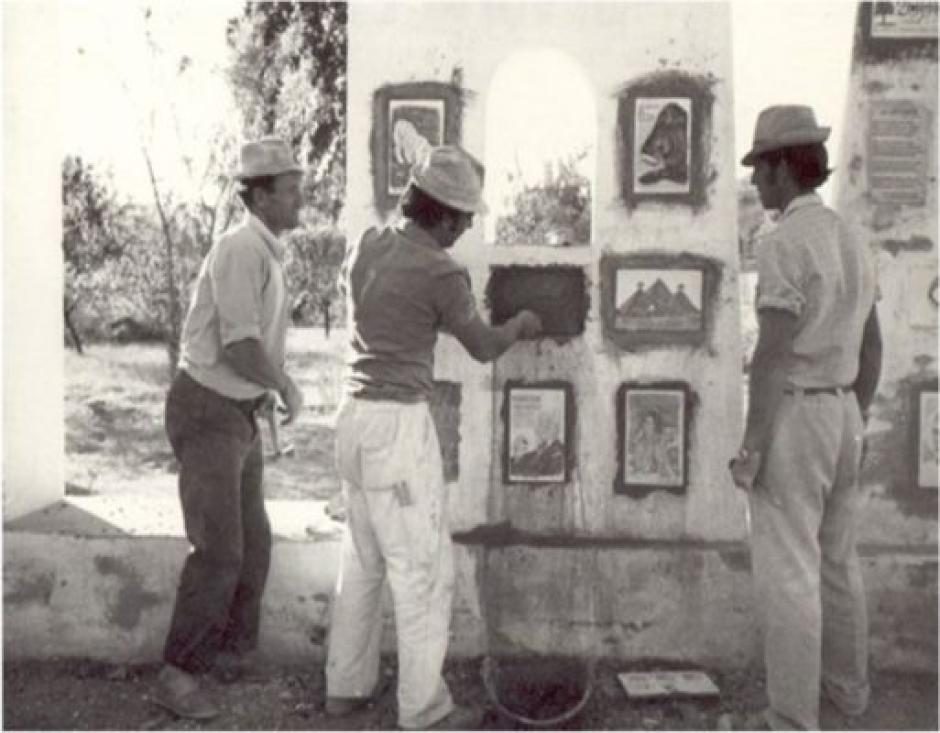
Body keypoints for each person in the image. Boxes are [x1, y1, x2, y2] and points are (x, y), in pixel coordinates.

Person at [324, 145, 542, 730]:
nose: (467, 228)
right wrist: (520, 326)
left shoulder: (367, 246)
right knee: (422, 571)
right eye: (465, 218)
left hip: (351, 418)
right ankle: (424, 710)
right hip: (397, 427)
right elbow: (483, 346)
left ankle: (345, 686)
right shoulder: (442, 272)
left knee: (362, 560)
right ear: (443, 212)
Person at [730, 106, 882, 730]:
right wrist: (855, 415)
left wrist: (752, 446)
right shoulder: (852, 238)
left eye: (761, 168)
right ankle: (848, 695)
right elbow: (873, 346)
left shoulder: (783, 242)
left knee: (791, 574)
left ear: (785, 167)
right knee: (838, 564)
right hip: (844, 412)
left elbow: (771, 356)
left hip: (794, 414)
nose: (756, 183)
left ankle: (789, 719)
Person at [153, 138, 306, 720]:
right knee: (219, 549)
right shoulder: (241, 249)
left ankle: (233, 656)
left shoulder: (266, 250)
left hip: (237, 412)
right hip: (208, 410)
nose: (299, 200)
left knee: (254, 542)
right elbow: (240, 346)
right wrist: (285, 385)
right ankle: (176, 673)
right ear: (260, 195)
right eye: (290, 191)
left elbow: (250, 347)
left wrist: (263, 393)